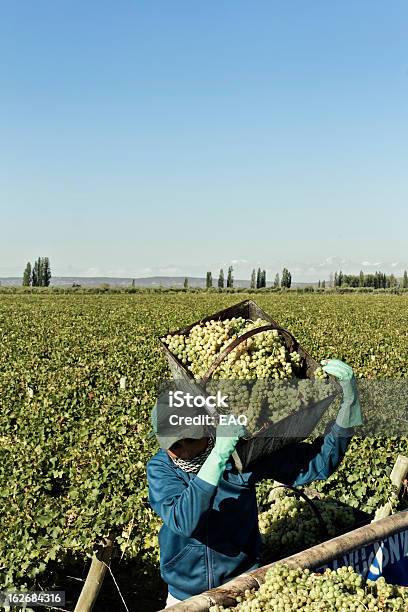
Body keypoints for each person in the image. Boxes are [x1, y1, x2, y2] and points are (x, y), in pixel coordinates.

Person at [146, 359, 363, 607]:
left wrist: (349, 405)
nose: (182, 451)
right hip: (184, 594)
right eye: (173, 445)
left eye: (190, 440)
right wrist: (217, 457)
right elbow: (184, 520)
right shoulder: (160, 469)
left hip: (242, 585)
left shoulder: (243, 456)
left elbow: (318, 463)